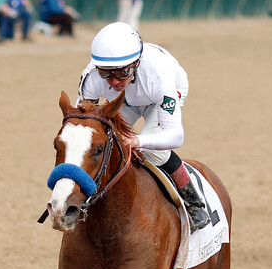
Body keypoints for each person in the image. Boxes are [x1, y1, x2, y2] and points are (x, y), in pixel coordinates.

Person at [77, 22, 210, 230]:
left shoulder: (158, 77)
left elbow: (175, 135)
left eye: (123, 73)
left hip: (159, 98)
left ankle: (194, 202)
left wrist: (138, 140)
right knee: (104, 142)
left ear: (136, 63)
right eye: (106, 74)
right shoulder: (91, 78)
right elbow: (85, 126)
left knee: (151, 150)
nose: (114, 81)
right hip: (126, 102)